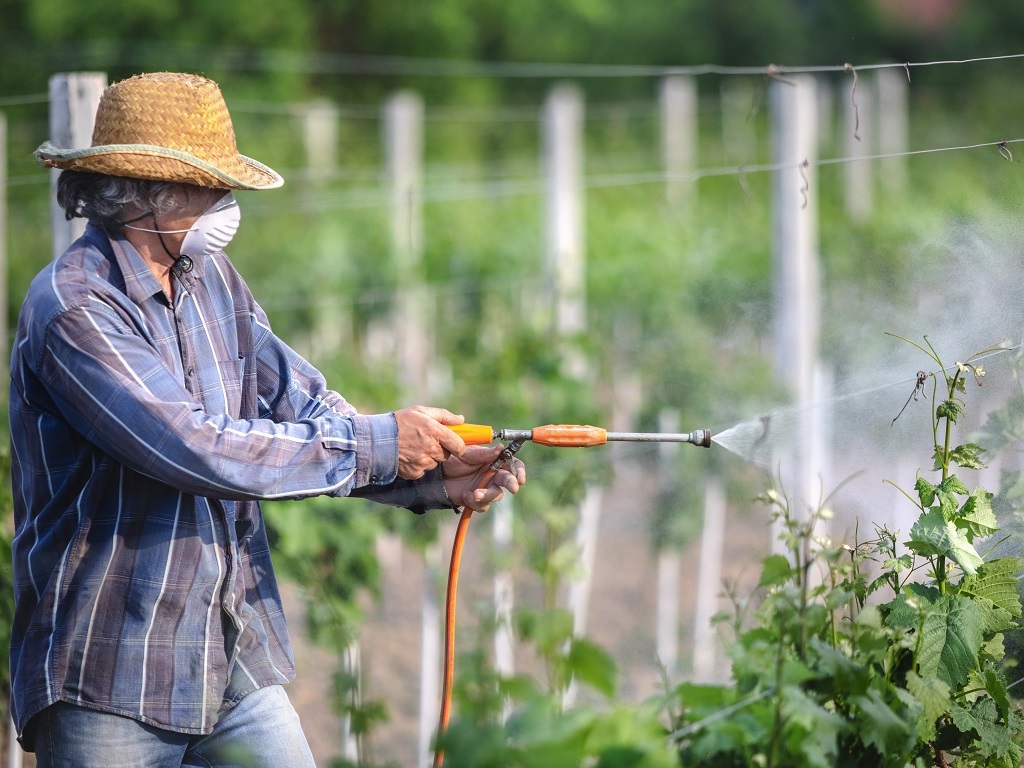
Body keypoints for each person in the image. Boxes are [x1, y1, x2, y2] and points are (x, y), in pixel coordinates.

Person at [9, 71, 525, 768]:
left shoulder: (211, 280)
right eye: (210, 186)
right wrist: (379, 445)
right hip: (110, 674)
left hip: (229, 655)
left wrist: (427, 473)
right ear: (147, 194)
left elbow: (299, 403)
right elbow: (192, 446)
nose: (227, 203)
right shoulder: (76, 309)